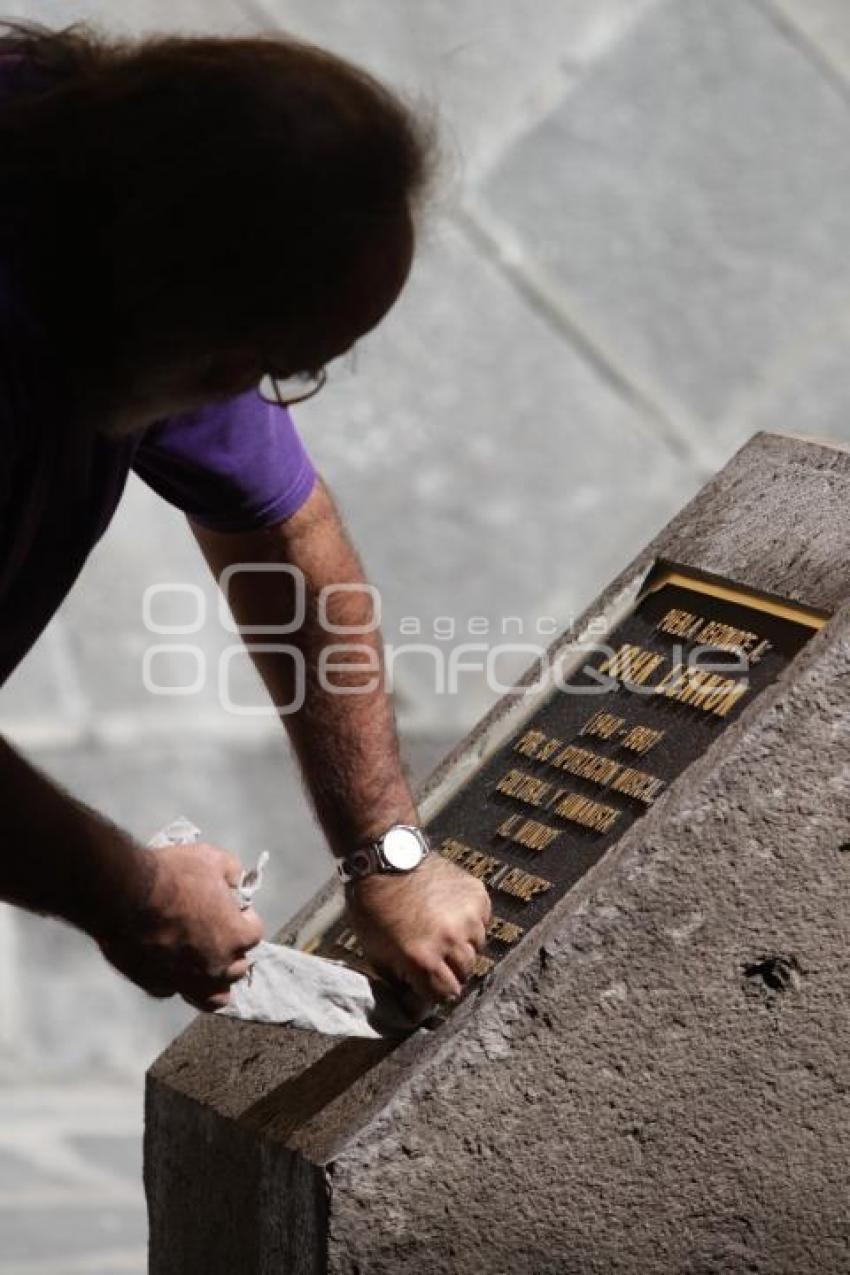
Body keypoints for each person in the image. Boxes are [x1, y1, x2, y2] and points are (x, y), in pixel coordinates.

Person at [0, 21, 490, 1014]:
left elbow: (287, 539)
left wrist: (388, 854)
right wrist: (133, 893)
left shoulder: (126, 233)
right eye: (277, 359)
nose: (256, 391)